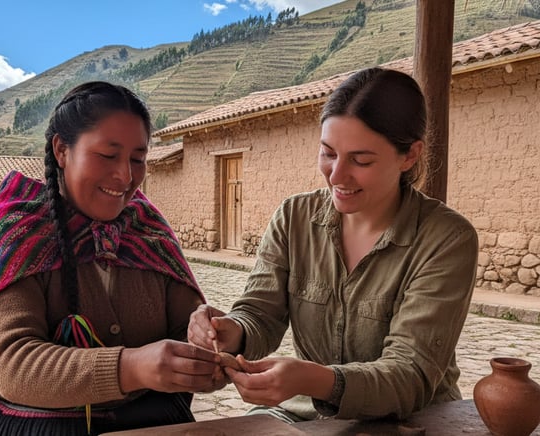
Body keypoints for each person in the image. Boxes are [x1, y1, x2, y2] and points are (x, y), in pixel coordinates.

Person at [188, 67, 479, 422]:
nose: (337, 176)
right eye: (328, 153)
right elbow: (259, 314)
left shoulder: (446, 239)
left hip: (411, 422)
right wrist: (230, 331)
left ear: (410, 156)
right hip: (305, 414)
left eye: (361, 160)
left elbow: (409, 374)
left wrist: (315, 380)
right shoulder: (294, 217)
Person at [0, 81, 223, 435]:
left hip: (145, 422)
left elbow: (187, 328)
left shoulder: (149, 232)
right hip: (23, 425)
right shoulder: (18, 232)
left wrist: (209, 338)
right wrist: (132, 367)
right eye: (108, 155)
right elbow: (13, 363)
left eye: (138, 159)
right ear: (61, 149)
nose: (125, 176)